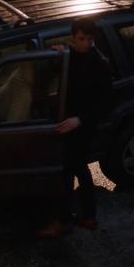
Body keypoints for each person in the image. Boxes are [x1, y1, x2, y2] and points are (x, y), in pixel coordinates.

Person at [38, 18, 113, 237]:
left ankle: (64, 221)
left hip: (82, 126)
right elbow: (52, 77)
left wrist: (79, 120)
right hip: (68, 122)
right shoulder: (71, 55)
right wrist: (57, 56)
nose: (86, 43)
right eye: (82, 39)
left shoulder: (99, 63)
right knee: (79, 169)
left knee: (69, 171)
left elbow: (105, 103)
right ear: (73, 37)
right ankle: (87, 216)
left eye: (90, 39)